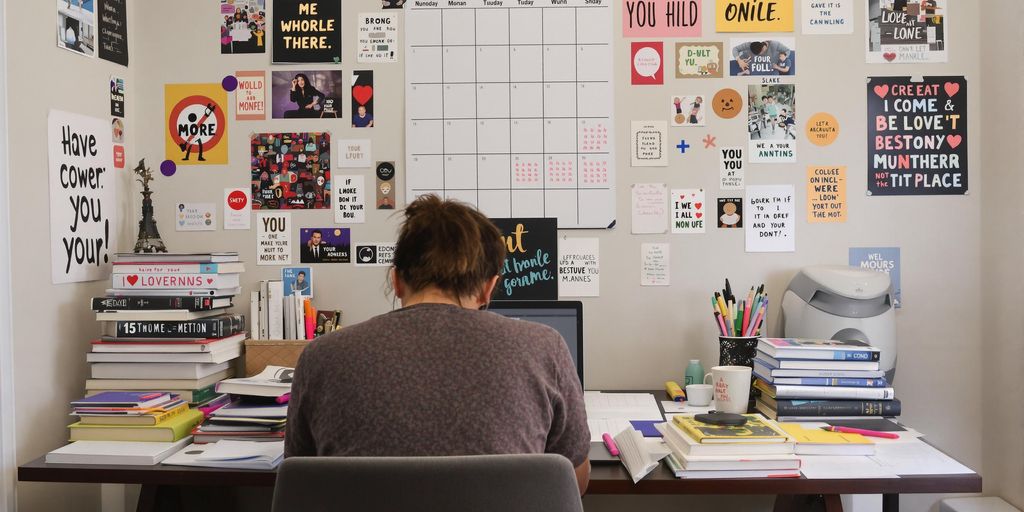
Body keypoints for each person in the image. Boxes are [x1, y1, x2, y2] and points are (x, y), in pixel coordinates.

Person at [285, 195, 591, 496]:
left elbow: (300, 483)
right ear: (488, 289)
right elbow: (572, 482)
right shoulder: (544, 347)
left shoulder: (321, 356)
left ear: (397, 281)